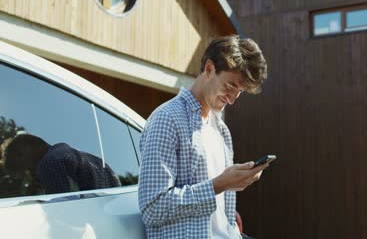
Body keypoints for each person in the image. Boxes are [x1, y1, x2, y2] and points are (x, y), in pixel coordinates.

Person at [138, 35, 269, 239]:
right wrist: (220, 184)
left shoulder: (222, 131)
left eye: (240, 91)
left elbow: (221, 216)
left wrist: (236, 181)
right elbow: (153, 208)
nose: (233, 99)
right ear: (209, 69)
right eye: (229, 87)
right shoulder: (167, 119)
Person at [1, 134, 121, 194]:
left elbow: (62, 213)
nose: (32, 175)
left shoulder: (48, 163)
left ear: (30, 146)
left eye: (26, 170)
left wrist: (37, 199)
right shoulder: (97, 161)